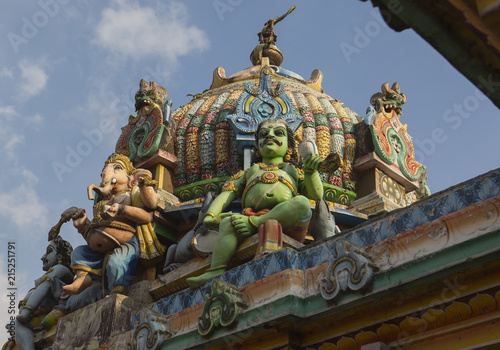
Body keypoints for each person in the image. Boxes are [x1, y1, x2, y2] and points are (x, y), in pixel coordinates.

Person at [186, 119, 323, 288]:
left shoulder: (292, 170)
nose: (270, 136)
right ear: (257, 146)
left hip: (286, 220)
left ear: (289, 146)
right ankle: (216, 269)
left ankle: (255, 223)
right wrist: (210, 216)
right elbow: (227, 193)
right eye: (264, 134)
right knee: (229, 222)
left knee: (302, 202)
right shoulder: (250, 172)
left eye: (278, 133)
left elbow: (316, 195)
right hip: (251, 213)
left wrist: (311, 171)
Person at [63, 153, 162, 296]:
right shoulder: (102, 203)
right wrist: (83, 225)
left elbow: (147, 215)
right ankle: (82, 277)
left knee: (116, 262)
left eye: (117, 168)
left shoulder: (131, 194)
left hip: (126, 244)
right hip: (100, 251)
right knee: (78, 252)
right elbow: (98, 232)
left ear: (131, 180)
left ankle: (117, 293)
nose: (106, 173)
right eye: (105, 170)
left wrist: (122, 208)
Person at [13, 237, 73, 350]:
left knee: (19, 322)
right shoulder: (54, 273)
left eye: (49, 251)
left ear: (60, 256)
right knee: (18, 324)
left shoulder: (60, 269)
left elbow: (46, 284)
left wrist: (27, 311)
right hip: (34, 321)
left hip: (44, 315)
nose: (43, 257)